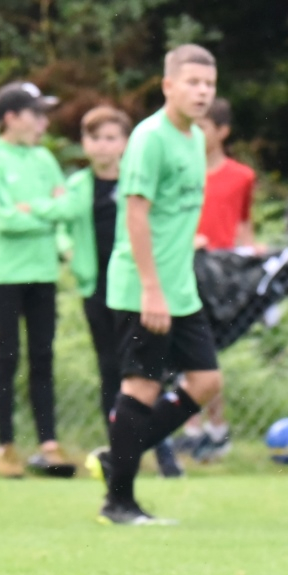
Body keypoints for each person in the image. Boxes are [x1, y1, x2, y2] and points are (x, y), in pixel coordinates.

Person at [98, 44, 221, 525]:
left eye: (209, 84)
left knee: (207, 381)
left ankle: (118, 456)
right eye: (193, 82)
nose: (202, 92)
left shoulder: (196, 137)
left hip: (181, 288)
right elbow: (136, 214)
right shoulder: (150, 138)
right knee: (142, 387)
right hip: (142, 287)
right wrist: (151, 288)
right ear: (168, 85)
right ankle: (119, 502)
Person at [61, 106, 183, 479]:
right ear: (85, 143)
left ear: (126, 142)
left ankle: (162, 453)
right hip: (97, 290)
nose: (103, 146)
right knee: (111, 369)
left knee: (147, 371)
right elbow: (61, 224)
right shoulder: (77, 186)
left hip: (135, 289)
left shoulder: (137, 179)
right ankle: (120, 454)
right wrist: (67, 249)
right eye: (95, 138)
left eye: (111, 138)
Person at [0, 82, 75, 479]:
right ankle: (6, 446)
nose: (43, 123)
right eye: (36, 114)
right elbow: (1, 219)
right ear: (11, 117)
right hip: (5, 275)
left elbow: (67, 208)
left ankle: (49, 444)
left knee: (43, 357)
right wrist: (46, 213)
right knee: (8, 357)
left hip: (44, 271)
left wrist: (32, 210)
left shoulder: (45, 159)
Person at [177, 97, 259, 461]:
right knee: (190, 354)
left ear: (222, 131)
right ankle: (198, 429)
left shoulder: (241, 176)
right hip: (184, 267)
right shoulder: (182, 171)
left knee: (205, 354)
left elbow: (243, 225)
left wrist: (250, 263)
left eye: (204, 126)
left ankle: (213, 428)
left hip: (220, 276)